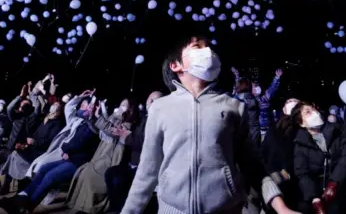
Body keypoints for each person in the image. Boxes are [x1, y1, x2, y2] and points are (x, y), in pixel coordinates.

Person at [120, 36, 300, 214]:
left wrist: (281, 207)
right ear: (176, 65)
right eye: (197, 46)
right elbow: (147, 172)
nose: (208, 52)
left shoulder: (233, 106)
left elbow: (253, 166)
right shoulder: (160, 108)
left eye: (209, 47)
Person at [292, 101, 346, 214]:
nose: (314, 112)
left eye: (313, 109)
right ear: (301, 123)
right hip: (320, 191)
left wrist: (334, 183)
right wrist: (314, 198)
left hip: (344, 186)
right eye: (308, 112)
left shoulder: (339, 130)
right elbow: (302, 173)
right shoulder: (300, 144)